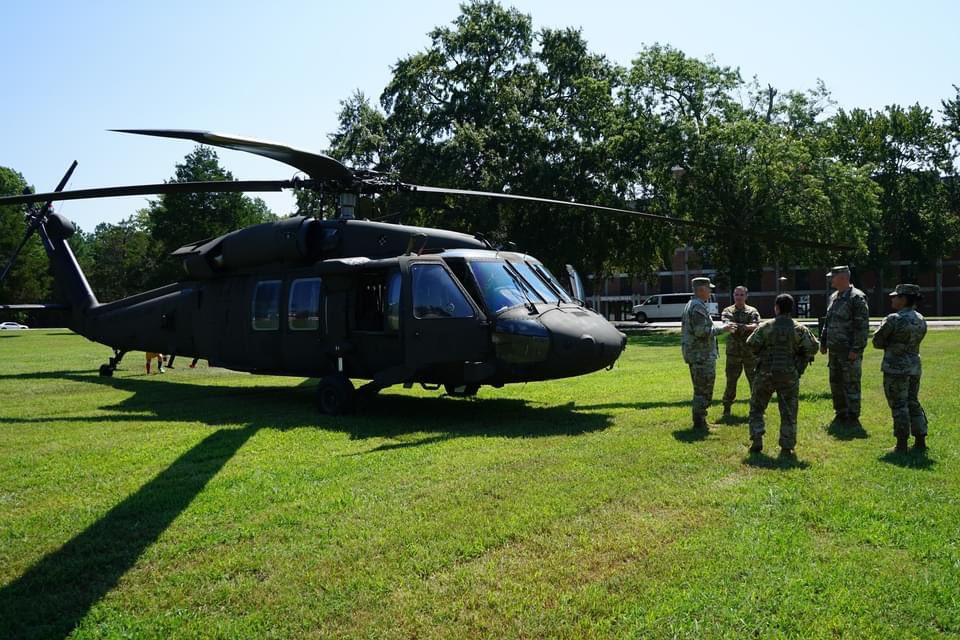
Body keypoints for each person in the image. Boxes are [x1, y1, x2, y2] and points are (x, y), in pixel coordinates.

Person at [746, 293, 820, 455]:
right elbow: (813, 347)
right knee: (789, 411)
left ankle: (757, 438)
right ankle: (787, 446)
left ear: (777, 308)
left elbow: (751, 344)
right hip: (789, 375)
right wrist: (799, 356)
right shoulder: (800, 329)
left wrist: (763, 353)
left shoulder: (766, 326)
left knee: (757, 407)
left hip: (765, 373)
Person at [872, 284, 928, 452]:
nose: (892, 299)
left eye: (895, 296)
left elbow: (877, 342)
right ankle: (920, 439)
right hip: (914, 366)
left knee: (899, 404)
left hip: (895, 368)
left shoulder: (893, 319)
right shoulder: (920, 318)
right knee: (913, 401)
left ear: (903, 299)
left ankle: (901, 444)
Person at [681, 276, 735, 429]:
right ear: (701, 290)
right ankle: (699, 423)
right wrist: (723, 329)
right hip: (701, 356)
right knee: (703, 390)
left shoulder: (694, 304)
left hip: (698, 354)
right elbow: (701, 332)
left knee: (701, 388)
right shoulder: (697, 307)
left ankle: (701, 420)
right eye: (708, 288)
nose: (710, 291)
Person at [819, 265, 870, 425]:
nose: (830, 280)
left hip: (849, 350)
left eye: (832, 277)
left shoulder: (857, 297)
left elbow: (862, 327)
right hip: (834, 350)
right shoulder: (834, 297)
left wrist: (856, 349)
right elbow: (828, 321)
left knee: (851, 383)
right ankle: (840, 413)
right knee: (836, 382)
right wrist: (824, 341)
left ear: (842, 277)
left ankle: (853, 416)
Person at [721, 285, 761, 417]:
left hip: (750, 352)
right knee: (731, 382)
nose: (738, 297)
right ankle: (727, 409)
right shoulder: (727, 310)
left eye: (741, 295)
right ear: (733, 295)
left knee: (754, 382)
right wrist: (745, 327)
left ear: (746, 296)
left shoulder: (752, 311)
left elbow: (756, 326)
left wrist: (739, 327)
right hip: (734, 353)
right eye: (736, 294)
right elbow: (728, 326)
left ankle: (757, 409)